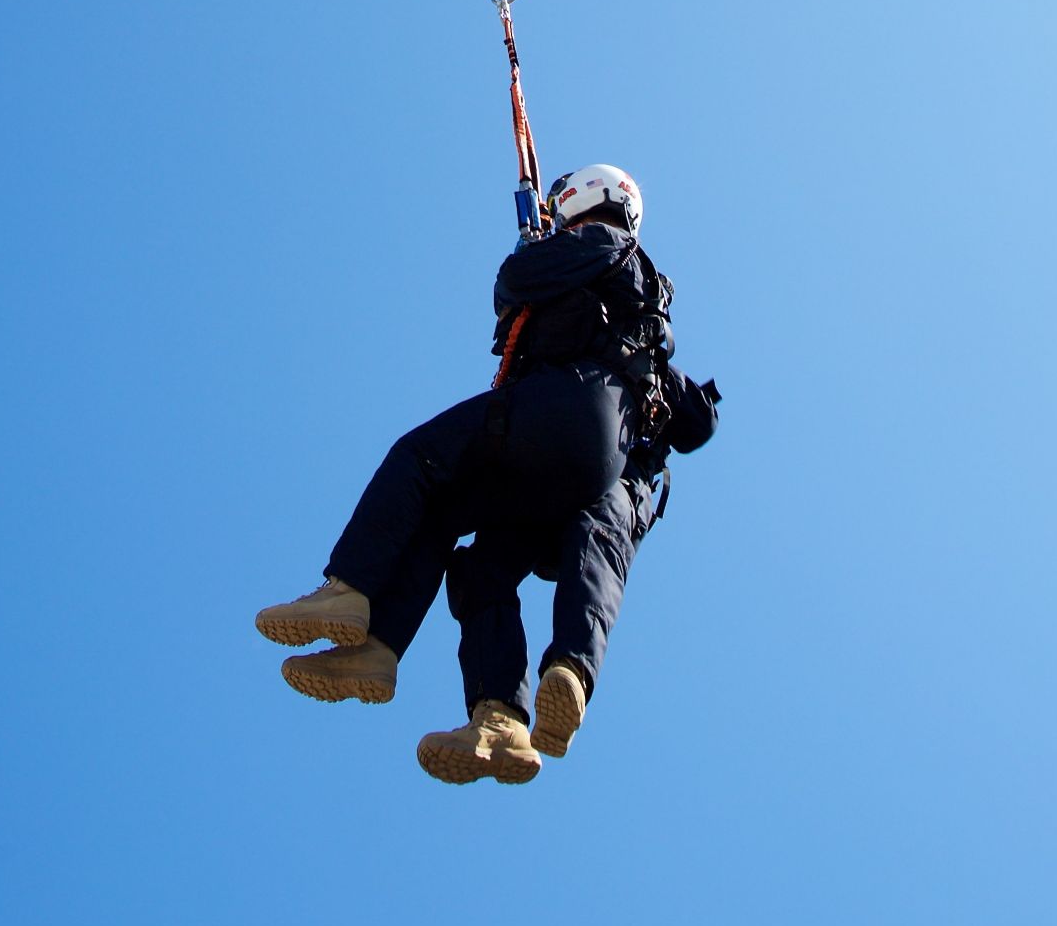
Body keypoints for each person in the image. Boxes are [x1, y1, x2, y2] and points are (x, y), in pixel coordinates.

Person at [255, 164, 706, 780]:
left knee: (422, 458)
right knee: (482, 566)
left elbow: (515, 281)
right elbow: (696, 426)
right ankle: (491, 715)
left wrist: (533, 254)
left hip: (566, 415)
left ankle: (350, 590)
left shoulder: (605, 243)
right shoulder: (648, 333)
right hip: (590, 480)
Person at [417, 355, 719, 783]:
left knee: (596, 535)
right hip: (545, 472)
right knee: (481, 567)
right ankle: (497, 719)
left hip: (616, 474)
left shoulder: (639, 347)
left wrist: (651, 368)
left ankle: (572, 672)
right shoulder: (547, 345)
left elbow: (697, 424)